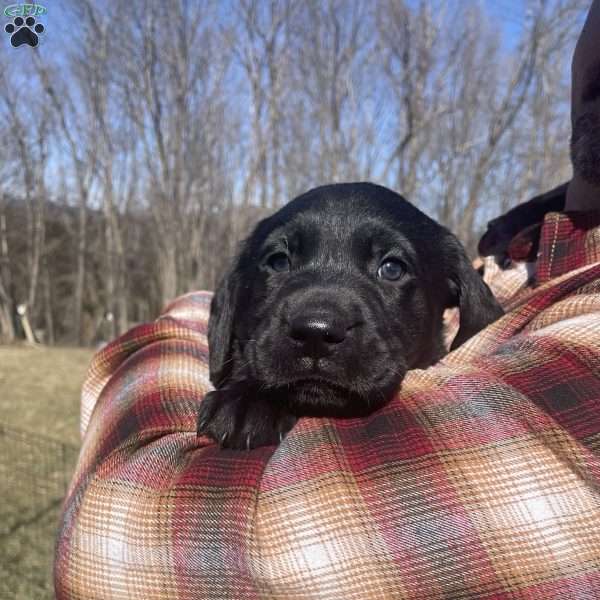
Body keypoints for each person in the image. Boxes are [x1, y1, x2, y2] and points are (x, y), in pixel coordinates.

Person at [55, 3, 600, 598]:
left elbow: (114, 544)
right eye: (280, 261)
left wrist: (175, 324)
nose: (317, 316)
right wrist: (238, 381)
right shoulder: (510, 255)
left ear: (459, 308)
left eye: (391, 266)